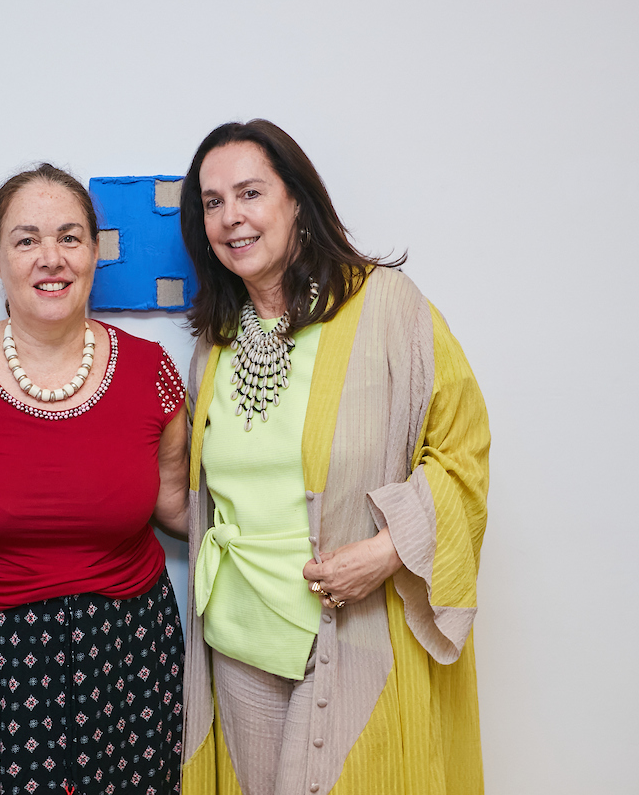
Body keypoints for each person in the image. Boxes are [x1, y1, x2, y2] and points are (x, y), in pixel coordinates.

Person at [176, 120, 491, 795]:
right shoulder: (217, 341)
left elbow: (461, 450)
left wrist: (387, 552)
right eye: (211, 202)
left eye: (250, 193)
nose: (231, 217)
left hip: (349, 631)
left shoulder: (387, 308)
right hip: (238, 637)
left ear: (297, 201)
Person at [0, 163, 188, 795]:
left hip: (129, 659)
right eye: (27, 240)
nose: (50, 258)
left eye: (70, 237)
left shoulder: (149, 369)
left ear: (94, 252)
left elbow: (175, 501)